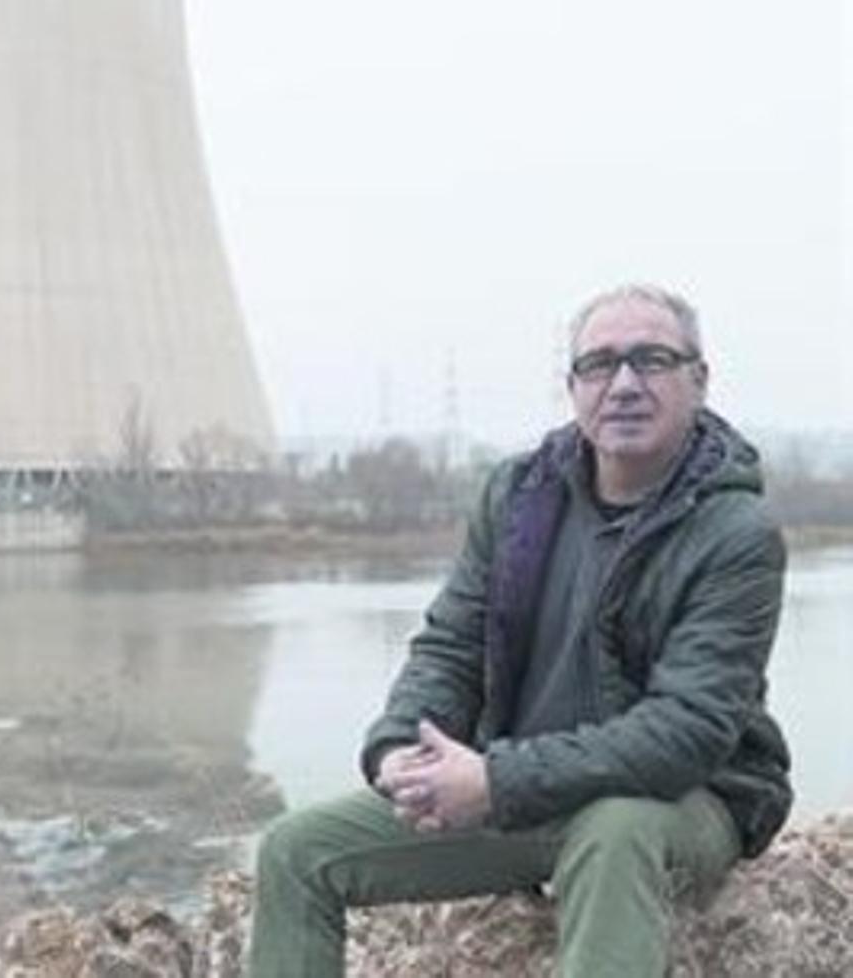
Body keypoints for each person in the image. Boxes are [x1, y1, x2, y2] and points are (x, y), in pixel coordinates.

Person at [249, 284, 791, 977]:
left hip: (686, 798)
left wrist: (497, 779)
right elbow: (451, 644)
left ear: (698, 379)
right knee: (297, 850)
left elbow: (685, 731)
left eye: (651, 360)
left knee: (615, 829)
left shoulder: (735, 532)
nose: (623, 383)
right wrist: (396, 749)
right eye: (599, 364)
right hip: (526, 792)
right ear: (573, 387)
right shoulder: (520, 496)